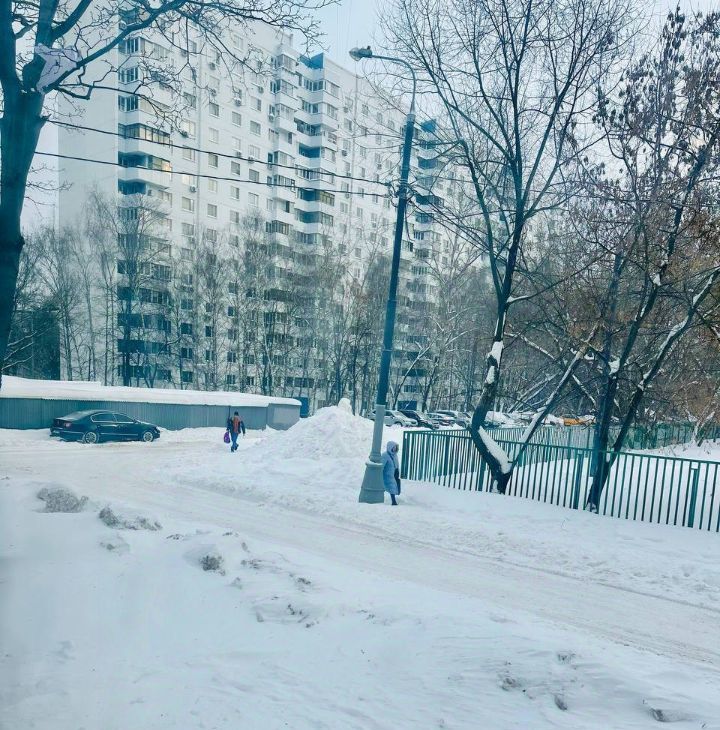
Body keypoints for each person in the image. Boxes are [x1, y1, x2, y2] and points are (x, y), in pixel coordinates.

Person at [382, 441, 401, 505]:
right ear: (390, 447)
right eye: (394, 447)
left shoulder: (395, 455)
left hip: (394, 473)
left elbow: (396, 464)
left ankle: (393, 501)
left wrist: (397, 470)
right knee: (390, 486)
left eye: (396, 448)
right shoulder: (385, 455)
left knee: (392, 487)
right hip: (387, 474)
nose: (395, 449)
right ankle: (393, 501)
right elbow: (382, 465)